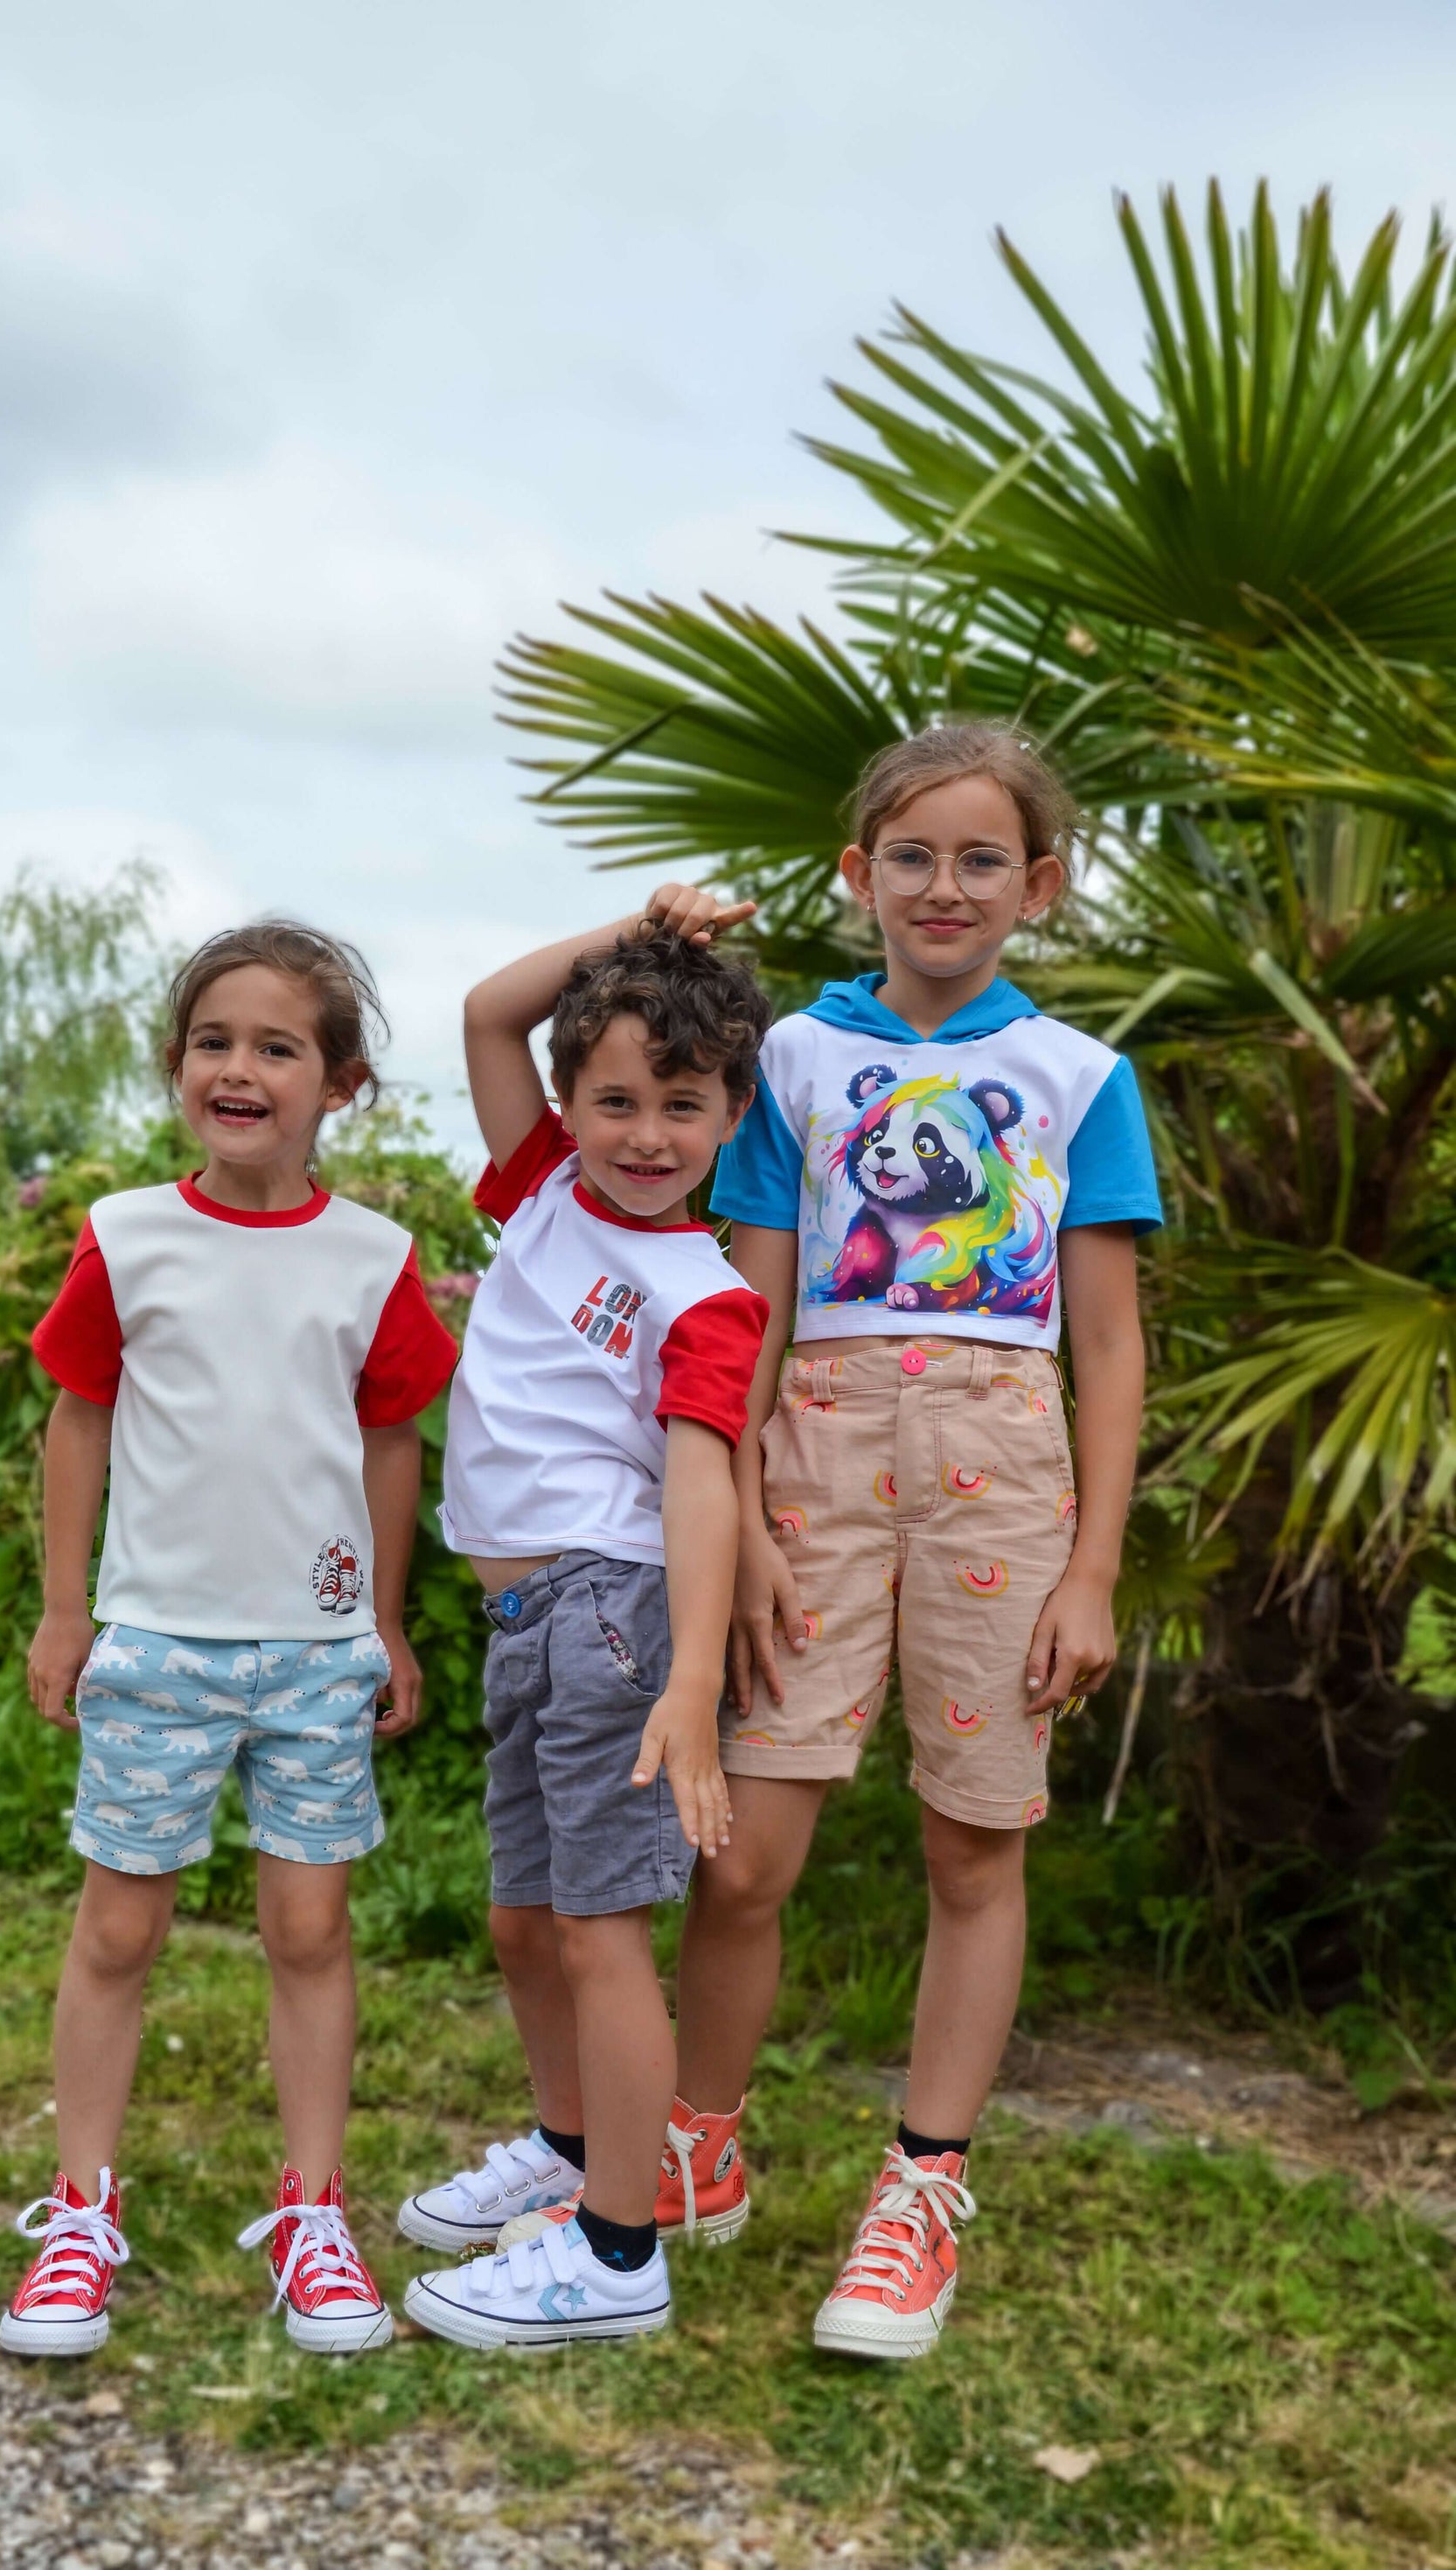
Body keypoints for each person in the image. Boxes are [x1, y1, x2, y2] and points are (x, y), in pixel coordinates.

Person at [681, 722, 1162, 2360]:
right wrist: (737, 1514)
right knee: (748, 1847)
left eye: (977, 860)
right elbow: (743, 1302)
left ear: (1035, 885)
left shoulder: (1082, 1078)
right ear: (855, 873)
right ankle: (694, 2138)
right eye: (909, 856)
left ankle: (921, 2187)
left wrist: (1090, 1563)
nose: (940, 887)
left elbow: (1105, 1343)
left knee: (975, 1840)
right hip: (812, 1455)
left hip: (1002, 1473)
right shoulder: (796, 1064)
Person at [0, 921, 457, 2362]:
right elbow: (80, 1420)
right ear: (178, 1066)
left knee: (309, 1929)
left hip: (317, 1652)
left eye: (279, 1046)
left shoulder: (372, 1255)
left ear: (342, 1084)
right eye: (215, 1041)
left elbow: (390, 1442)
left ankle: (315, 2209)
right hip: (156, 1644)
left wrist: (383, 1620)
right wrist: (66, 1606)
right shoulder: (128, 1235)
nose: (241, 1067)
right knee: (120, 1925)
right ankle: (79, 2209)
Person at [397, 897, 771, 2348]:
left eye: (683, 1105)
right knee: (526, 1917)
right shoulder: (543, 1185)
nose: (644, 1133)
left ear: (731, 1112)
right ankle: (567, 2159)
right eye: (612, 1098)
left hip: (612, 1617)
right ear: (568, 1106)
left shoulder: (707, 1295)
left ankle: (616, 2253)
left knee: (603, 1932)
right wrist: (643, 928)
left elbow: (700, 1489)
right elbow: (493, 1009)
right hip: (532, 1623)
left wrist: (688, 1679)